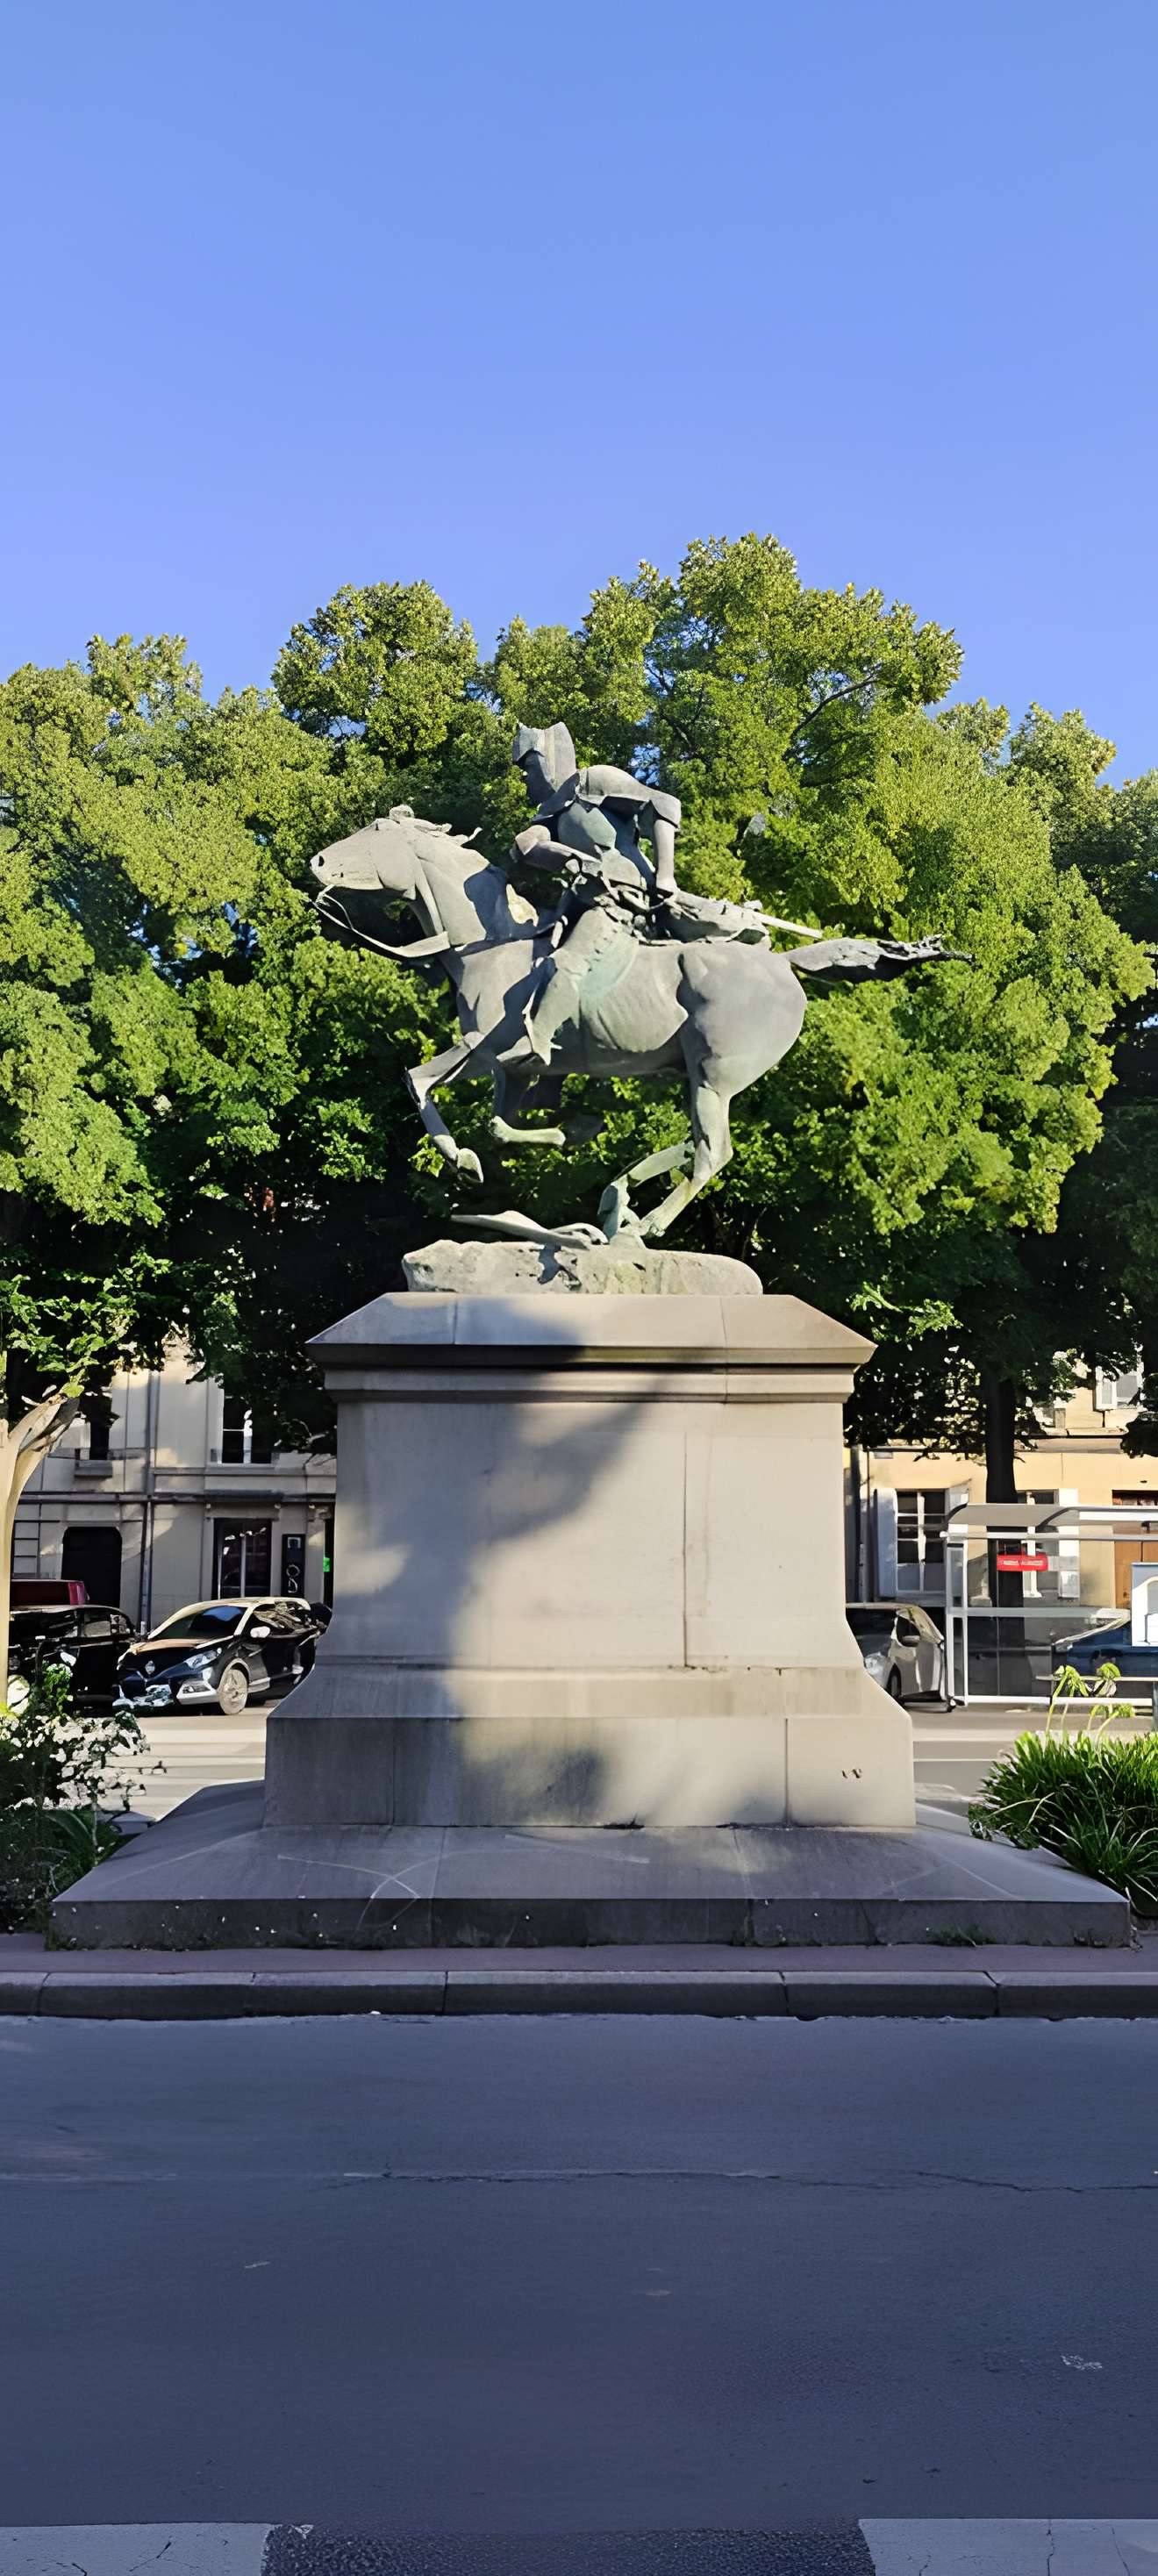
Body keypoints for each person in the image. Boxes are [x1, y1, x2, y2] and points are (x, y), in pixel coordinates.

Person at [510, 722, 766, 1063]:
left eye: (528, 766)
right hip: (580, 903)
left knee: (569, 962)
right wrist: (567, 857)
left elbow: (661, 804)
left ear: (548, 760)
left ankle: (536, 1045)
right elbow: (526, 845)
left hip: (624, 897)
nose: (523, 777)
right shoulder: (550, 816)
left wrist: (666, 875)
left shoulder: (592, 782)